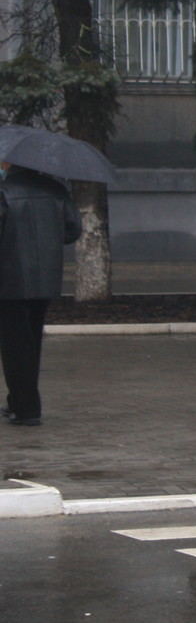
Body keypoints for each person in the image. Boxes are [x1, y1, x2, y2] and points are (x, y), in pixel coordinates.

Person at [0, 162, 81, 426]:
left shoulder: (4, 191)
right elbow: (73, 230)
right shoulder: (55, 189)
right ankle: (20, 402)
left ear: (9, 164)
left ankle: (26, 409)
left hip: (9, 280)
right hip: (44, 278)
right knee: (31, 341)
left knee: (15, 346)